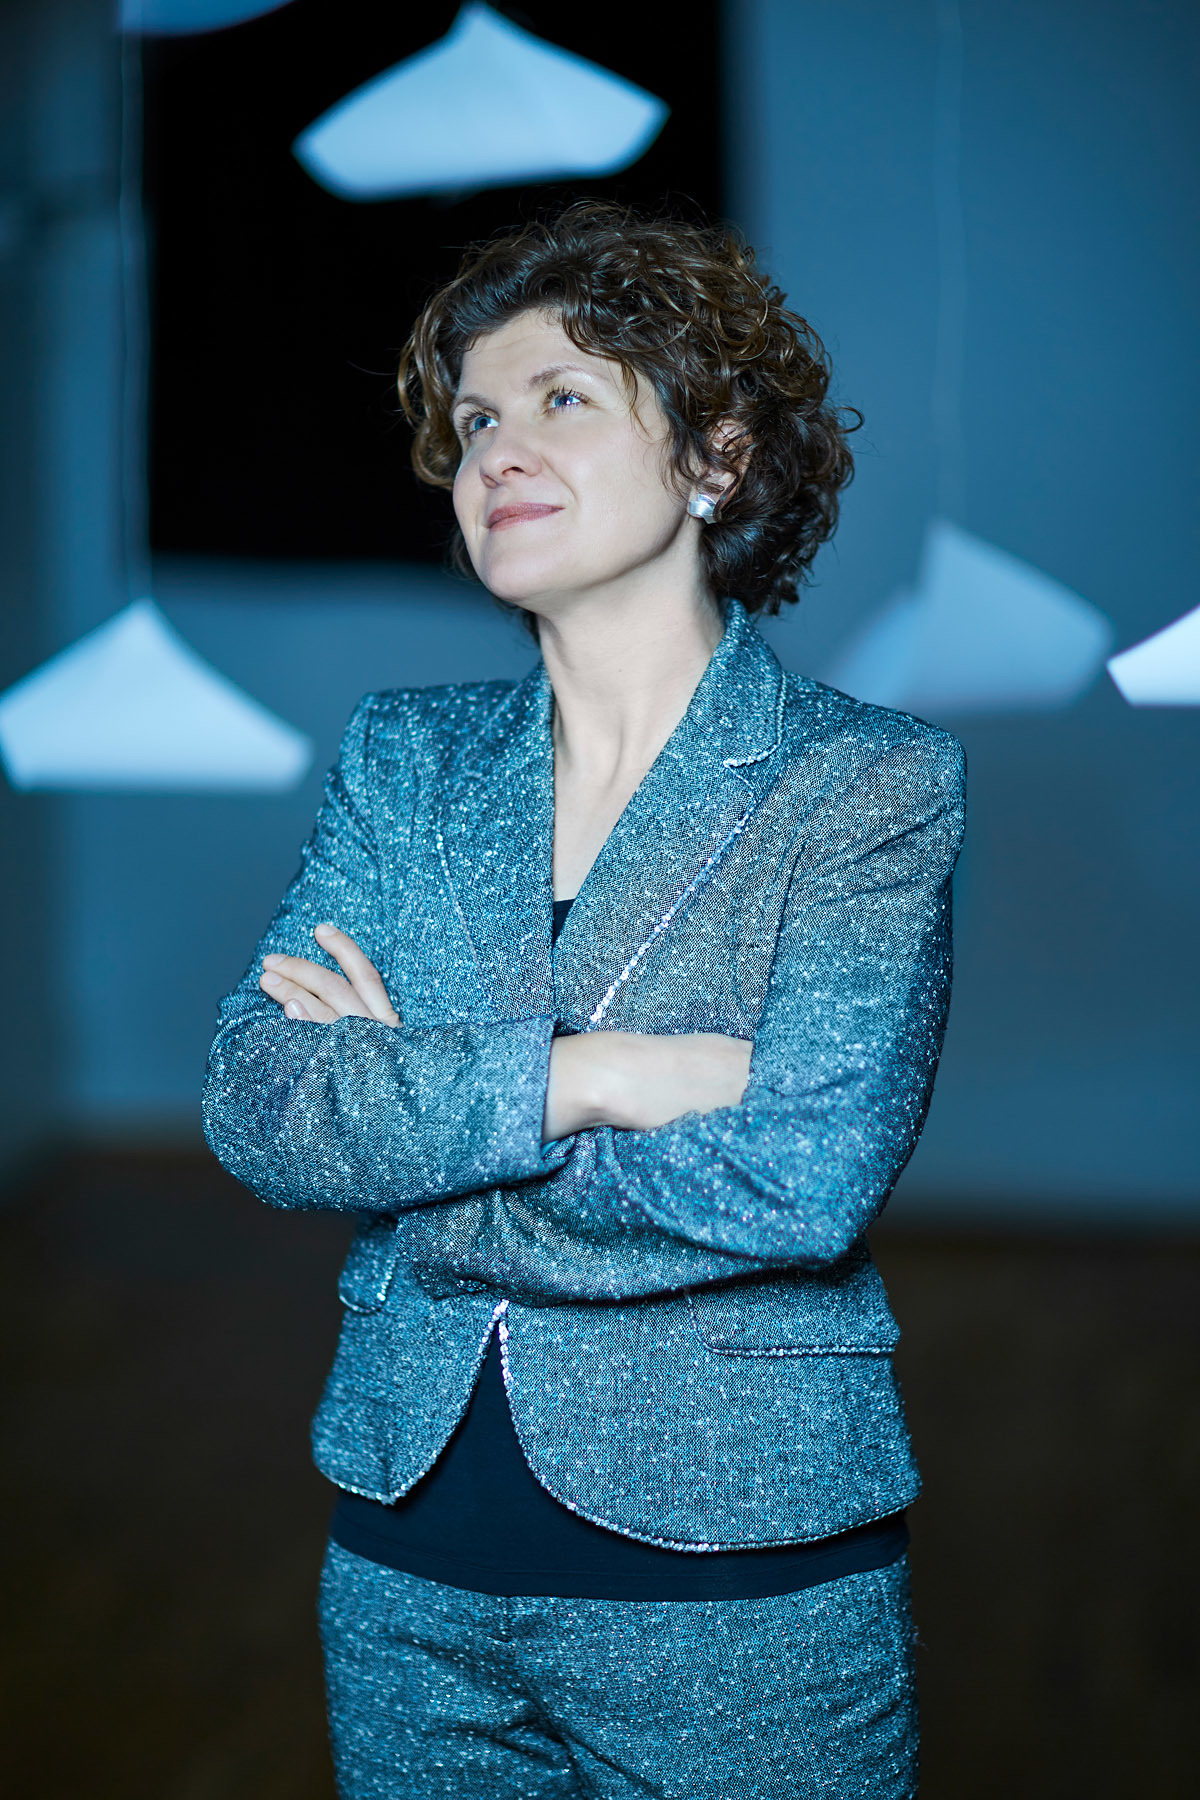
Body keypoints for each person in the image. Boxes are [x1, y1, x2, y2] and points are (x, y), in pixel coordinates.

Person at [202, 199, 965, 1799]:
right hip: (406, 1572)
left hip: (741, 1587)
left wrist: (416, 1138)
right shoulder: (407, 759)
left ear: (715, 460)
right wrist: (595, 1073)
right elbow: (262, 1105)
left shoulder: (864, 786)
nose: (498, 451)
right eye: (477, 419)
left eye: (562, 399)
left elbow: (799, 1178)